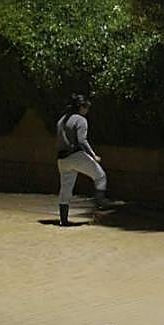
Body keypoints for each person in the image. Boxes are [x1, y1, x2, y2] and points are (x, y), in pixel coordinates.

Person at [54, 94, 111, 226]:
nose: (87, 110)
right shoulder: (80, 120)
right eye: (86, 107)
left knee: (65, 190)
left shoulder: (62, 119)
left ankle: (63, 220)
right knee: (100, 176)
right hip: (76, 155)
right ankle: (99, 205)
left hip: (62, 159)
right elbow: (82, 140)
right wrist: (93, 155)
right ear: (81, 107)